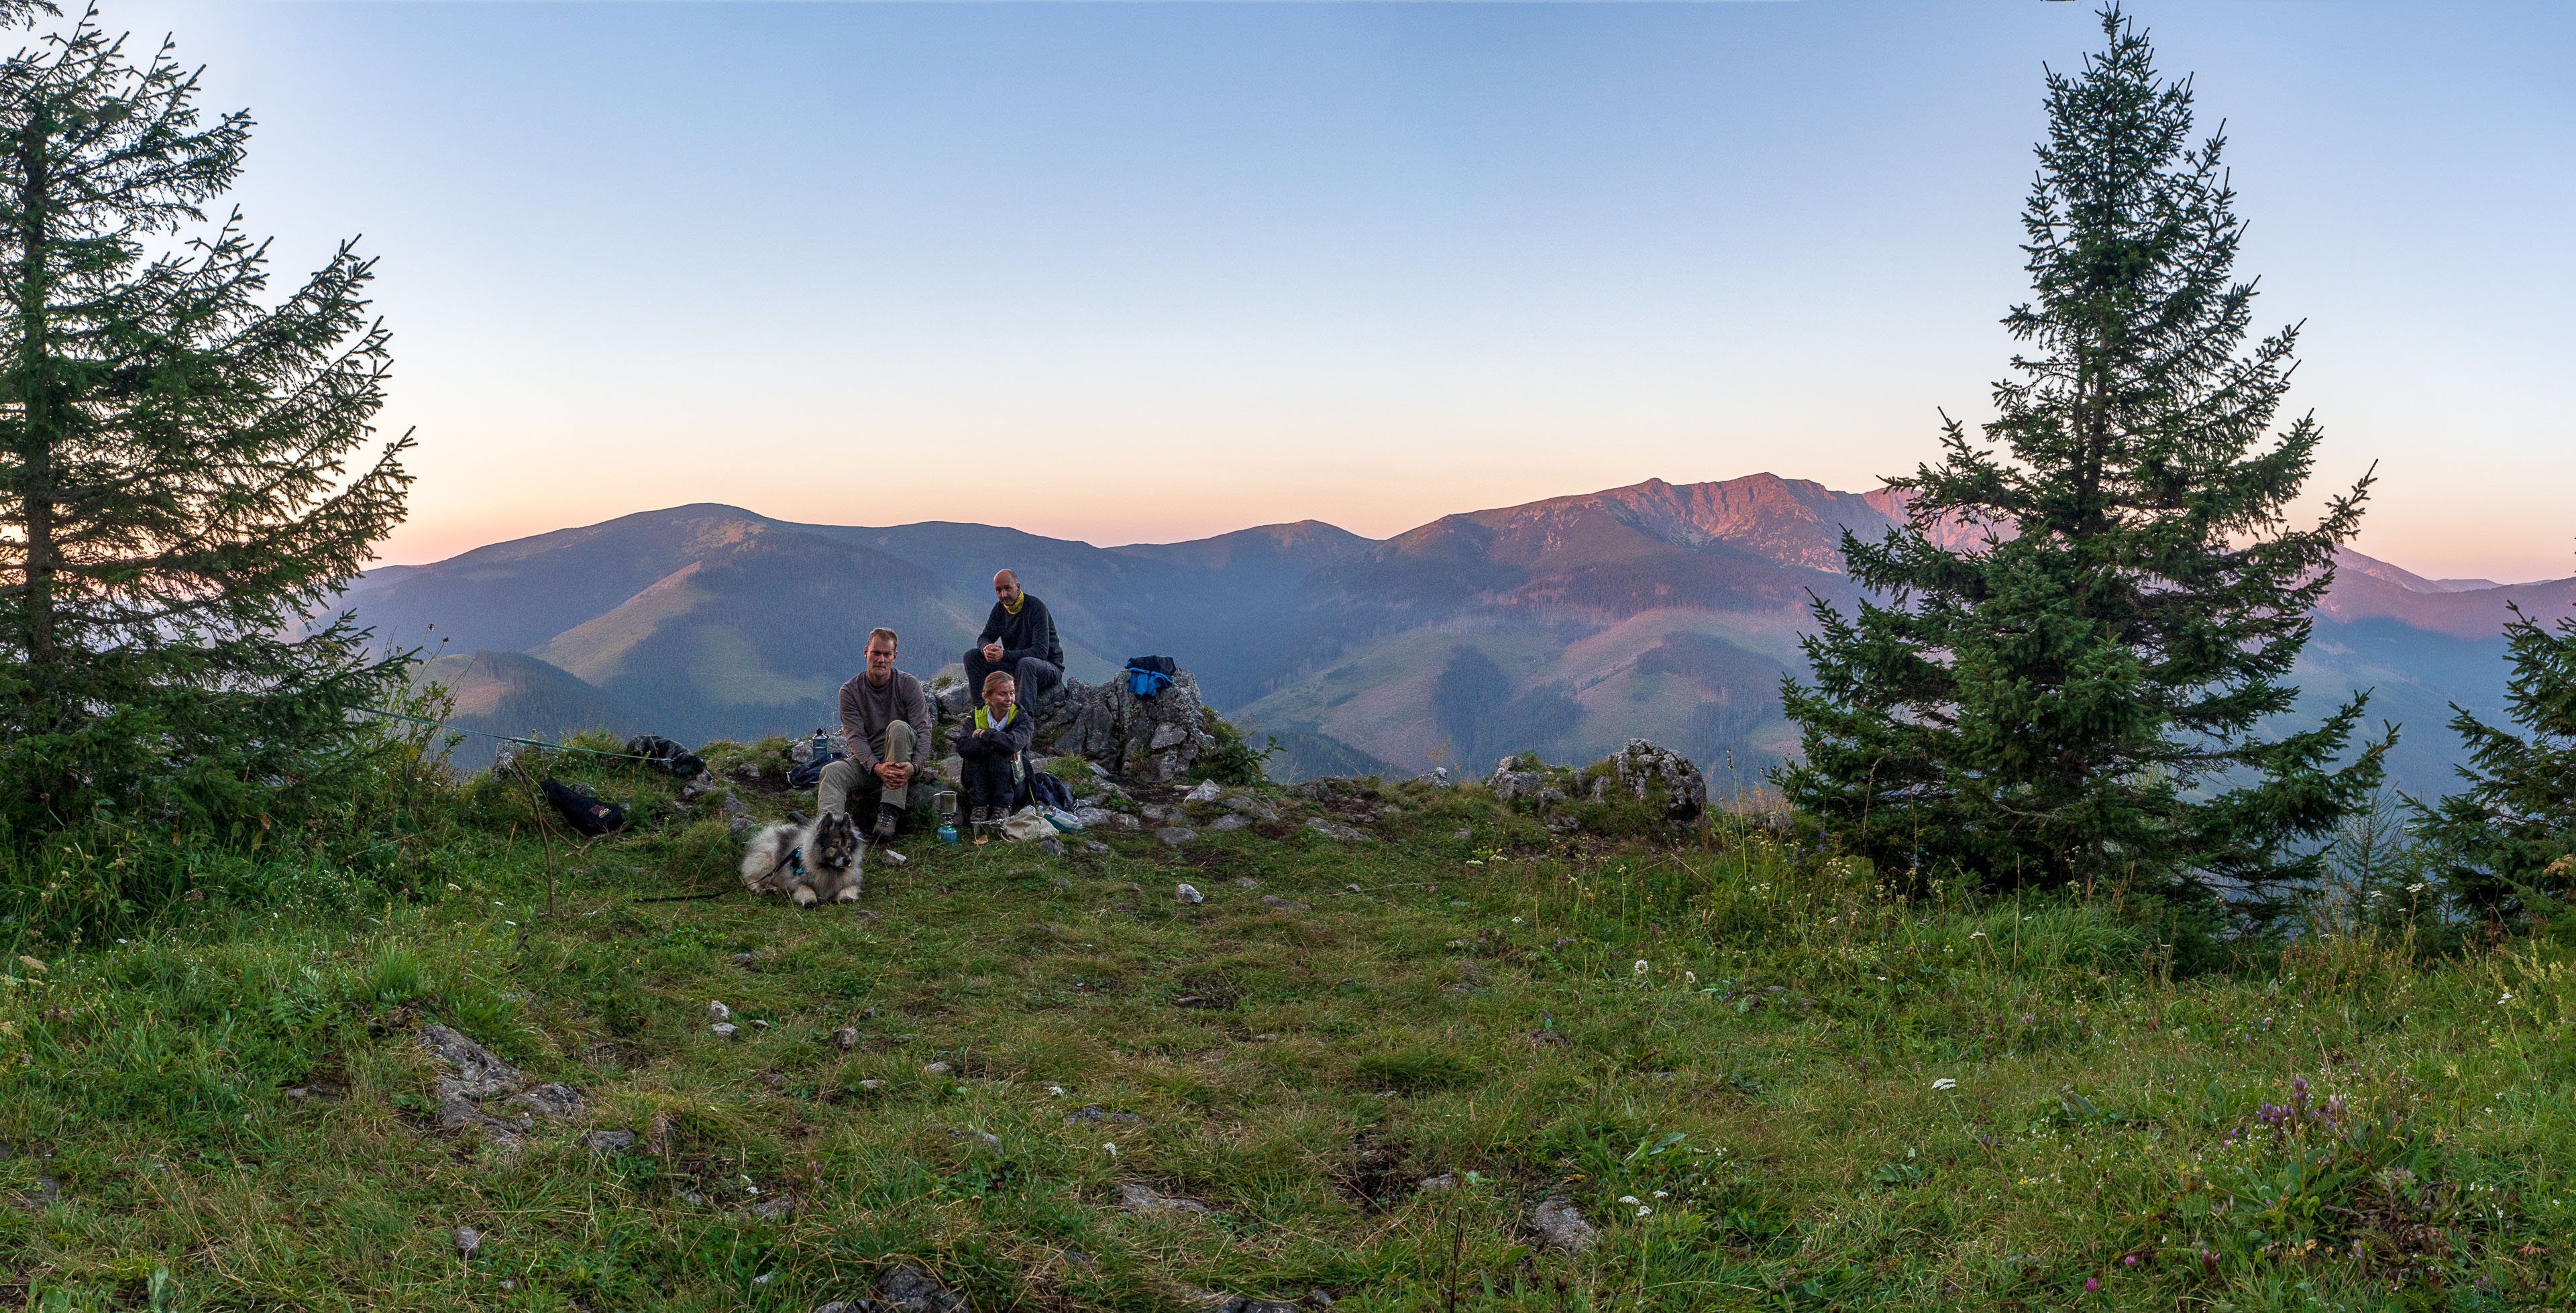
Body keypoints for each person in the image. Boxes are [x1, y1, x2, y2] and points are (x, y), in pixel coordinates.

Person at [818, 628, 930, 841]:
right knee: (831, 772)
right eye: (875, 653)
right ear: (866, 653)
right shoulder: (850, 691)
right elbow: (854, 737)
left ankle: (889, 810)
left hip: (902, 757)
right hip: (870, 763)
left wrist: (915, 766)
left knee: (898, 727)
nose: (880, 659)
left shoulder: (908, 685)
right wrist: (876, 767)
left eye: (886, 654)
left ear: (894, 656)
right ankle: (830, 832)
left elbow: (924, 730)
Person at [963, 569, 1063, 713]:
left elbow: (1040, 652)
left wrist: (1004, 655)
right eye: (999, 590)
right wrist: (987, 648)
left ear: (1018, 587)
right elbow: (984, 637)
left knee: (1027, 663)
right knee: (972, 656)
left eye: (1007, 588)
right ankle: (982, 712)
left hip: (1046, 669)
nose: (1004, 595)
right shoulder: (999, 610)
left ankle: (1022, 720)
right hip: (1016, 667)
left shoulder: (1036, 608)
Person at [953, 670, 1035, 824]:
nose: (1009, 699)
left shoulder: (1022, 717)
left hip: (1014, 786)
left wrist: (985, 735)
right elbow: (963, 746)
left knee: (1001, 755)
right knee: (976, 754)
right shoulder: (976, 715)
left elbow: (1014, 743)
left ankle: (1002, 808)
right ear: (988, 697)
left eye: (1012, 693)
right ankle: (980, 806)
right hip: (980, 783)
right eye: (1003, 694)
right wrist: (997, 745)